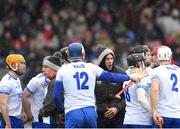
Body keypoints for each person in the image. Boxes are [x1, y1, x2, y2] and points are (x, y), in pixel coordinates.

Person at [53, 42, 140, 128]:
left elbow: (56, 96)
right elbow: (111, 76)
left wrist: (61, 111)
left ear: (69, 55)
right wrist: (129, 77)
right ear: (83, 53)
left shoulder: (63, 70)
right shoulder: (91, 67)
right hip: (90, 112)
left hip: (73, 111)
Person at [22, 55, 61, 128]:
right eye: (43, 66)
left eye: (46, 67)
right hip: (40, 120)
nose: (43, 69)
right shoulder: (37, 80)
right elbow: (24, 95)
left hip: (53, 120)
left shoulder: (57, 79)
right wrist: (28, 114)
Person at [95, 45, 126, 128]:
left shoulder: (121, 73)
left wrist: (117, 108)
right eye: (107, 59)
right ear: (101, 61)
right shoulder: (94, 74)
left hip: (118, 115)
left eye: (111, 58)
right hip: (100, 115)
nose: (110, 61)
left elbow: (128, 96)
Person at [150, 46, 180, 128]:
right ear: (170, 56)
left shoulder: (156, 71)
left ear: (158, 57)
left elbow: (155, 90)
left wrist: (154, 111)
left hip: (163, 114)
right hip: (178, 115)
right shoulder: (178, 70)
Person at [123, 53, 152, 128]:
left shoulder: (125, 74)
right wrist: (153, 112)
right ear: (139, 63)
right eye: (142, 61)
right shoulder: (141, 74)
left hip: (127, 119)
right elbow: (141, 98)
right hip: (141, 120)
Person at [0, 54, 26, 128]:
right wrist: (8, 124)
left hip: (18, 119)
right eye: (22, 63)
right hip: (10, 119)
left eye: (24, 63)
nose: (24, 66)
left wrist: (22, 112)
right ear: (14, 65)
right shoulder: (6, 82)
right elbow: (2, 105)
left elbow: (19, 98)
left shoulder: (17, 79)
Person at [39, 52, 64, 128]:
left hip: (59, 119)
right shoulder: (61, 78)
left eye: (46, 67)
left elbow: (51, 104)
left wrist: (41, 113)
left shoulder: (55, 81)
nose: (43, 70)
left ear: (53, 68)